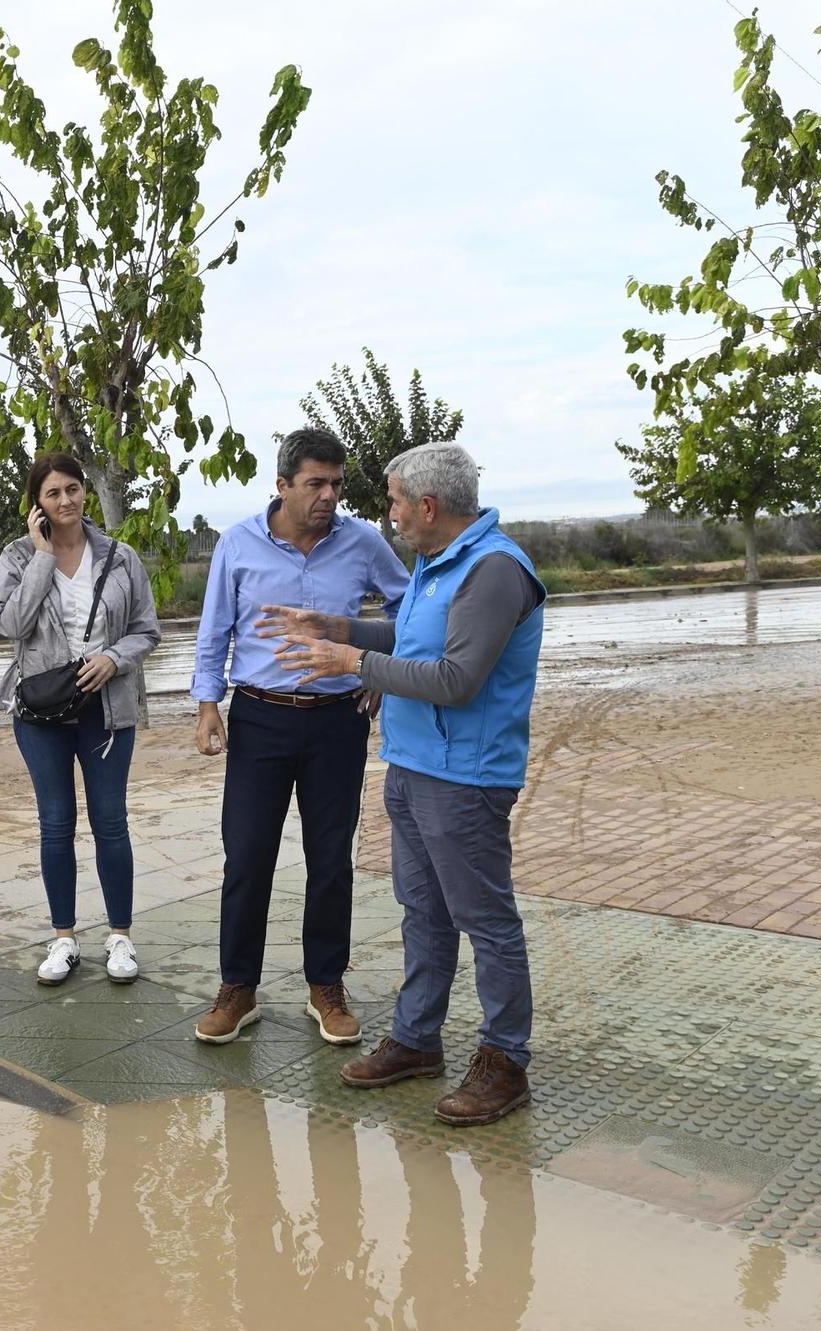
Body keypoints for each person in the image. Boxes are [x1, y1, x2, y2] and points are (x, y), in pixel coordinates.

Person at [268, 441, 545, 1126]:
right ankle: (418, 1040)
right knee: (423, 913)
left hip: (466, 778)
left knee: (487, 921)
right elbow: (414, 640)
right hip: (415, 767)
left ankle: (504, 1060)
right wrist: (343, 627)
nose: (387, 514)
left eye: (393, 501)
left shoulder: (494, 570)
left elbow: (455, 680)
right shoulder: (441, 563)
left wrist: (350, 659)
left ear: (428, 505)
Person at [189, 428, 409, 1046]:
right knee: (248, 855)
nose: (328, 496)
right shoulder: (238, 545)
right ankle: (238, 989)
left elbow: (412, 611)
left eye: (336, 483)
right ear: (282, 485)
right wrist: (209, 706)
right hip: (259, 717)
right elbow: (215, 632)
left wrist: (378, 672)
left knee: (331, 860)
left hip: (339, 721)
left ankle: (326, 987)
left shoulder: (363, 541)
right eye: (315, 483)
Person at [0, 453, 161, 986]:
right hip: (40, 710)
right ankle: (63, 939)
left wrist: (115, 658)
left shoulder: (120, 556)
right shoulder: (18, 556)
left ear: (84, 491)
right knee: (55, 824)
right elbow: (11, 622)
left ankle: (120, 938)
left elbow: (146, 629)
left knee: (111, 822)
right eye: (52, 494)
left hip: (107, 706)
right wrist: (42, 557)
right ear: (36, 504)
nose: (65, 501)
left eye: (72, 490)